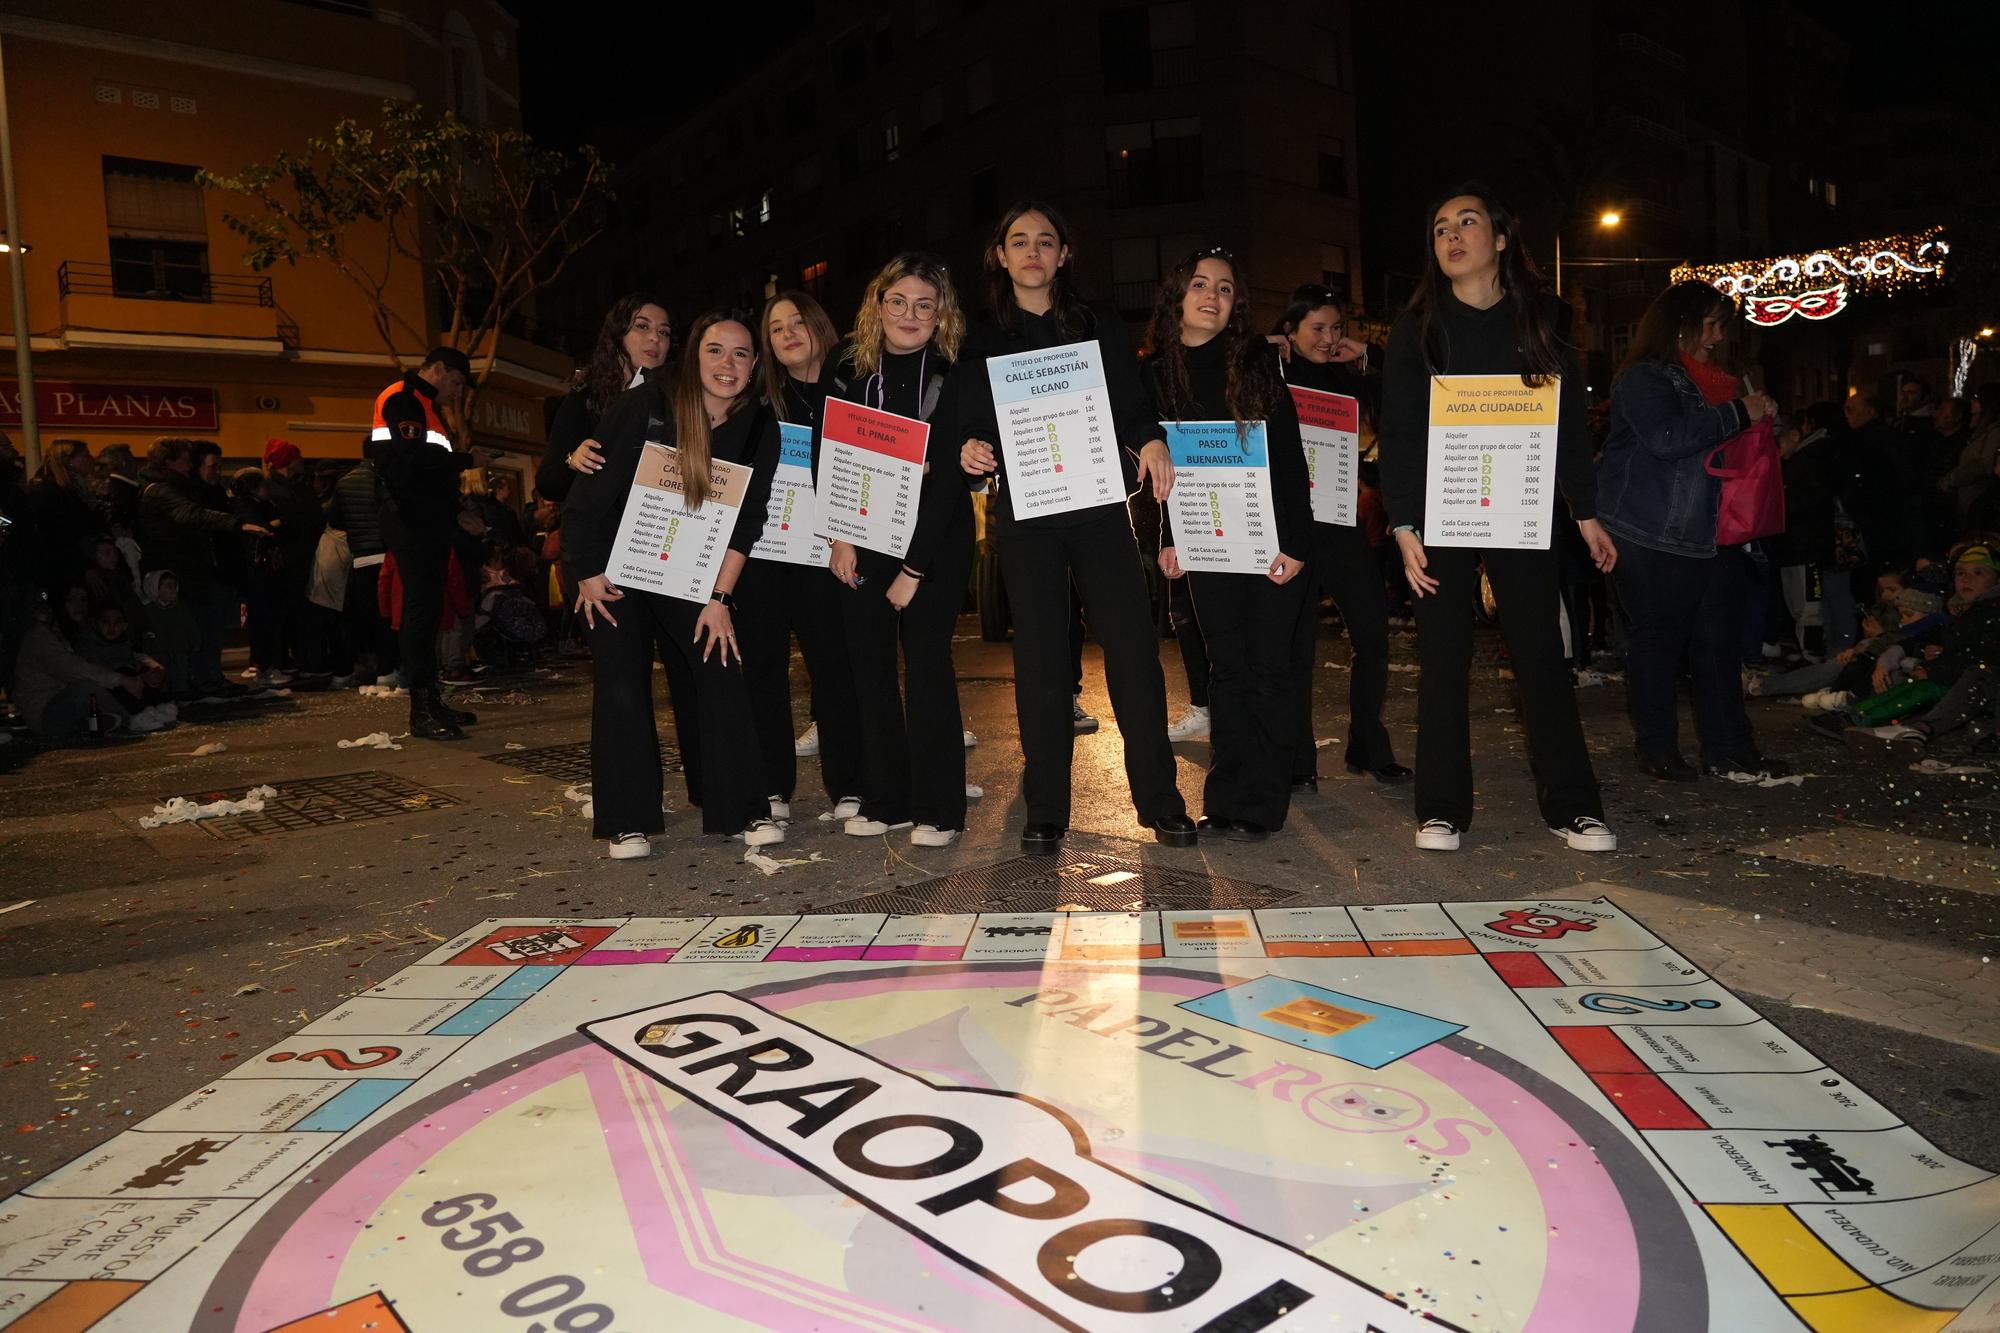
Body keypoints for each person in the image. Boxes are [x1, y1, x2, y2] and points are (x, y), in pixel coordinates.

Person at [1378, 185, 1618, 853]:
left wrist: (1586, 510)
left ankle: (1575, 806)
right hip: (1438, 512)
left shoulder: (1546, 319)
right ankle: (1442, 809)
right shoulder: (1416, 330)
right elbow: (1397, 431)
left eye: (1468, 222)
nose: (1452, 236)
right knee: (1444, 658)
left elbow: (1566, 423)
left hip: (1521, 508)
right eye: (1440, 228)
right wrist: (1403, 526)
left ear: (1502, 238)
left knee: (1541, 654)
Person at [956, 202, 1196, 852]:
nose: (1033, 251)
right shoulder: (982, 340)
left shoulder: (1100, 327)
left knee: (1133, 651)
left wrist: (1150, 441)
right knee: (1039, 663)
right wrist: (968, 449)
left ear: (1064, 254)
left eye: (1046, 241)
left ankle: (1161, 801)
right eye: (1019, 242)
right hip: (1027, 514)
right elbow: (967, 421)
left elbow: (1131, 401)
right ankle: (1046, 812)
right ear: (1001, 257)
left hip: (1096, 506)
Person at [565, 310, 785, 858]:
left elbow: (747, 520)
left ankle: (742, 810)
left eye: (740, 353)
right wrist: (586, 572)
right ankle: (627, 821)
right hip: (615, 566)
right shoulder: (646, 406)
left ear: (755, 364)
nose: (727, 364)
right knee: (620, 683)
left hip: (691, 573)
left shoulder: (760, 425)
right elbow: (589, 496)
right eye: (715, 350)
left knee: (720, 666)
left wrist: (719, 598)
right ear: (695, 356)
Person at [1148, 247, 1312, 842]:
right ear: (1177, 298)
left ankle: (1261, 806)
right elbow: (1165, 472)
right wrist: (1171, 540)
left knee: (1268, 672)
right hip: (1208, 544)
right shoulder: (1160, 373)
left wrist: (1295, 542)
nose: (1211, 296)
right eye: (1199, 284)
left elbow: (1290, 458)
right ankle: (1225, 799)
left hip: (1272, 543)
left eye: (1223, 288)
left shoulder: (1256, 361)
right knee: (1227, 673)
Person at [1595, 279, 1787, 782]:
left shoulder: (1720, 382)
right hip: (1651, 532)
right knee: (1658, 643)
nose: (1718, 338)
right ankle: (1657, 748)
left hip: (1712, 532)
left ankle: (1730, 748)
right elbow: (1667, 438)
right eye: (1710, 325)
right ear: (1678, 323)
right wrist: (1737, 413)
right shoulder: (1644, 379)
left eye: (1722, 327)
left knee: (1719, 644)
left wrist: (1758, 418)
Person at [822, 252, 973, 846]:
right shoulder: (849, 367)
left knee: (929, 665)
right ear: (878, 305)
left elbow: (947, 481)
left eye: (924, 305)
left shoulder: (956, 371)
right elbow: (826, 454)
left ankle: (940, 807)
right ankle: (888, 798)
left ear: (941, 315)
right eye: (898, 302)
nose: (910, 314)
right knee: (871, 669)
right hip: (861, 535)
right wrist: (839, 536)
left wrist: (914, 569)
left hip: (933, 540)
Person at [1272, 281, 1410, 788]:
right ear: (1291, 330)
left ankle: (1367, 747)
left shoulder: (1351, 380)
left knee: (1372, 637)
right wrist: (1268, 351)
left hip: (1343, 525)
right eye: (1317, 329)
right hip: (1292, 531)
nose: (1329, 339)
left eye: (1336, 329)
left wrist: (1370, 352)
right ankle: (1297, 763)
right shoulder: (1271, 376)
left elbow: (1418, 380)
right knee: (1297, 649)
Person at [738, 288, 866, 823]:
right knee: (762, 668)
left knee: (835, 668)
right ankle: (771, 787)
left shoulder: (856, 391)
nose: (788, 333)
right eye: (775, 328)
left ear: (819, 326)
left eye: (797, 322)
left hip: (831, 552)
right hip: (764, 555)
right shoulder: (758, 403)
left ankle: (851, 785)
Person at [366, 346, 484, 740]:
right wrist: (466, 460)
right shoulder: (404, 398)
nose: (457, 391)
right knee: (420, 612)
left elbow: (426, 473)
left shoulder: (427, 406)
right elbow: (411, 461)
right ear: (438, 368)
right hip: (410, 520)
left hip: (426, 519)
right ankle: (421, 710)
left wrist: (455, 512)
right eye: (455, 381)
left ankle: (430, 701)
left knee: (429, 612)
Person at [138, 438, 267, 695]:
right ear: (169, 462)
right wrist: (237, 523)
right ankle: (191, 682)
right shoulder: (163, 490)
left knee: (204, 626)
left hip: (192, 567)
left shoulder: (179, 487)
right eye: (185, 460)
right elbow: (190, 514)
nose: (189, 465)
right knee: (188, 630)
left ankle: (203, 678)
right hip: (177, 569)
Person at [328, 456, 397, 686]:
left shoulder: (344, 482)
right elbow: (393, 513)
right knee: (385, 617)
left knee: (355, 619)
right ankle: (386, 671)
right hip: (383, 555)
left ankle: (342, 672)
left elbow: (336, 519)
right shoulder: (383, 479)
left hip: (359, 559)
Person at [140, 570, 201, 697]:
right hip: (158, 655)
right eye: (168, 586)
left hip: (179, 653)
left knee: (180, 680)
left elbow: (191, 627)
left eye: (175, 586)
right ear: (155, 588)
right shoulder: (147, 611)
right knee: (162, 684)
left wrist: (195, 643)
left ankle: (183, 700)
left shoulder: (181, 609)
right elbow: (143, 632)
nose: (173, 589)